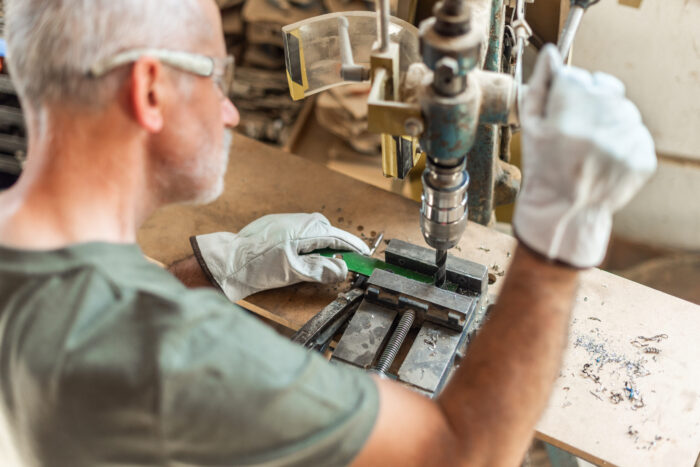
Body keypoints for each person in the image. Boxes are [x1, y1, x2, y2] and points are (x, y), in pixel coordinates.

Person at [0, 0, 656, 466]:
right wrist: (558, 233)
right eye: (216, 78)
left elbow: (105, 297)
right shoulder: (176, 357)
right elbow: (465, 451)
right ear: (149, 91)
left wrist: (214, 266)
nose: (229, 111)